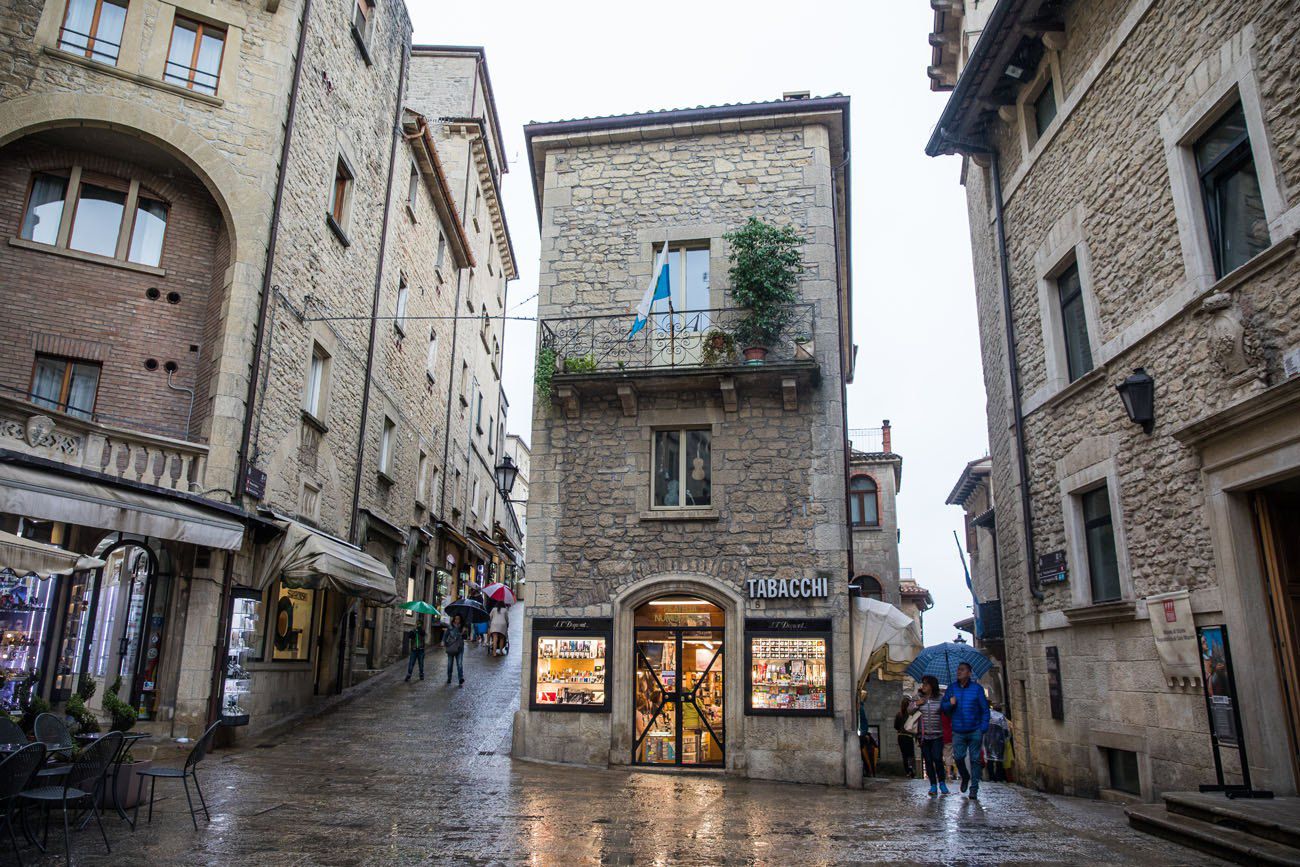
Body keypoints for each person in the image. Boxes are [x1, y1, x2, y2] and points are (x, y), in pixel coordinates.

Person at [943, 661, 991, 800]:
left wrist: (983, 728)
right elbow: (944, 709)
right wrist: (949, 703)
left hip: (975, 729)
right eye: (958, 670)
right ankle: (965, 776)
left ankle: (974, 788)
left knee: (976, 759)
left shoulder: (977, 689)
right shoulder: (952, 689)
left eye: (962, 670)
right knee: (958, 757)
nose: (959, 672)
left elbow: (984, 710)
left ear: (969, 673)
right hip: (958, 730)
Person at [909, 675, 949, 796]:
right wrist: (917, 704)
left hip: (938, 734)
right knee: (928, 760)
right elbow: (909, 710)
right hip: (923, 735)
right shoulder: (918, 697)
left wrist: (950, 703)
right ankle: (933, 785)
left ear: (932, 686)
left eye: (926, 684)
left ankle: (942, 782)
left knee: (937, 758)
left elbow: (947, 711)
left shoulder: (941, 698)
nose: (923, 686)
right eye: (923, 684)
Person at [985, 702, 1012, 783]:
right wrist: (1006, 738)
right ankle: (998, 777)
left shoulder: (987, 715)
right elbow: (1006, 730)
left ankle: (991, 777)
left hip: (988, 739)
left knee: (989, 759)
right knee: (999, 759)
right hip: (999, 740)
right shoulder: (1001, 717)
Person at [894, 696, 917, 778]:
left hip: (900, 737)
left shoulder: (898, 714)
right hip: (908, 736)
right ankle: (911, 770)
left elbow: (896, 726)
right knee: (910, 754)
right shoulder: (911, 715)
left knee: (904, 755)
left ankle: (907, 771)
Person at [444, 613, 466, 686]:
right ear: (454, 619)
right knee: (450, 664)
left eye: (458, 619)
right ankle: (449, 678)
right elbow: (445, 636)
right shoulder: (450, 627)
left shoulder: (462, 627)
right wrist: (444, 643)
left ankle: (460, 679)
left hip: (460, 648)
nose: (457, 620)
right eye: (456, 618)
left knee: (459, 664)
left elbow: (465, 637)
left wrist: (464, 632)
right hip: (451, 648)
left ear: (460, 620)